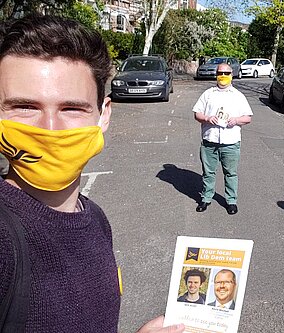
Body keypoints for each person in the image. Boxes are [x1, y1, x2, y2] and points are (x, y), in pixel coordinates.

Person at [0, 15, 184, 333]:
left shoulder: (96, 219)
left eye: (72, 109)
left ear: (103, 116)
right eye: (25, 107)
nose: (50, 129)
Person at [193, 63, 252, 215]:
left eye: (226, 73)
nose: (223, 76)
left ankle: (231, 201)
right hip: (209, 141)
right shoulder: (208, 94)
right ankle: (206, 198)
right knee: (208, 172)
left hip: (230, 142)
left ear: (231, 75)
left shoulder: (238, 96)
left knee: (230, 173)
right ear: (216, 74)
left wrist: (236, 120)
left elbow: (248, 117)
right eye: (220, 73)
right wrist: (207, 118)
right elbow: (197, 114)